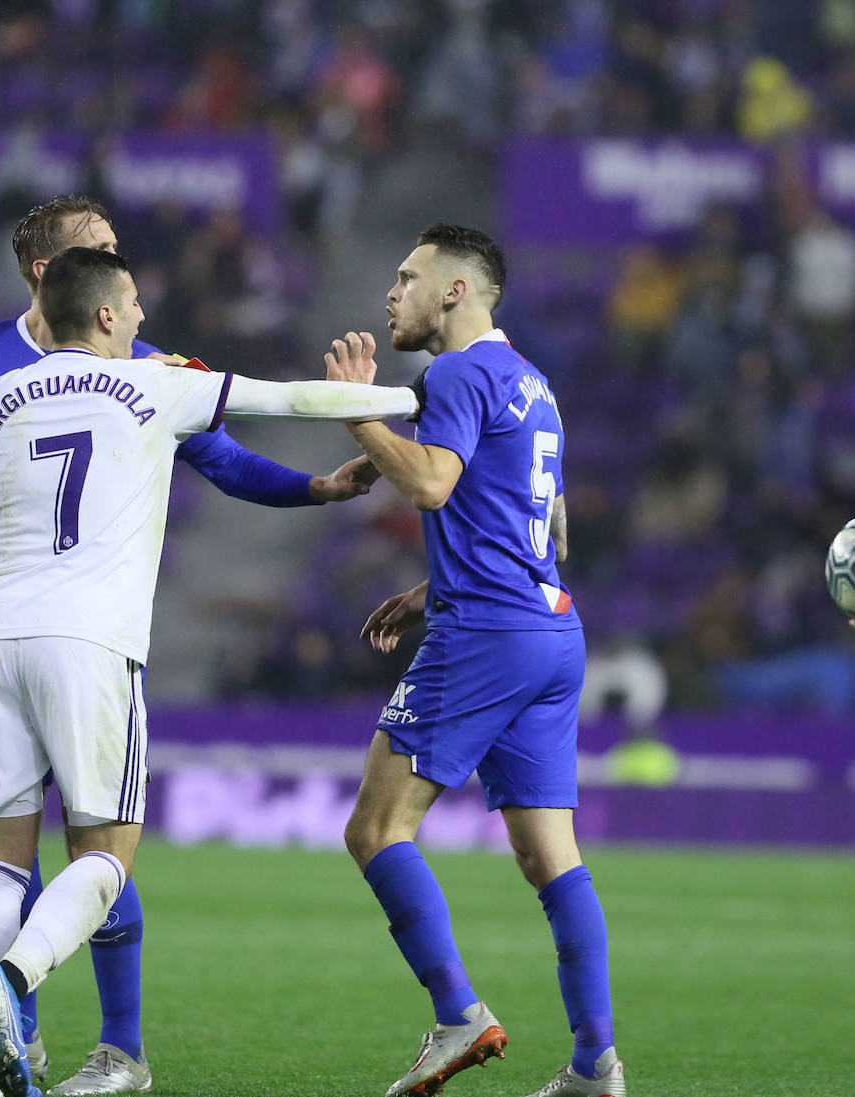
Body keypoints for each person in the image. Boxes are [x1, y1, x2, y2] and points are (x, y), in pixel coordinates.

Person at [0, 246, 419, 1097]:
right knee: (107, 855)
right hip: (88, 639)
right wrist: (409, 396)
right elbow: (290, 399)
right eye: (131, 304)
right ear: (103, 316)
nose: (140, 319)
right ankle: (12, 978)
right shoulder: (151, 382)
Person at [326, 224, 625, 1097]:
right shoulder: (534, 384)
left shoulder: (455, 373)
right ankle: (594, 1063)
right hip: (549, 631)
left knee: (376, 828)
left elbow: (427, 484)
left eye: (409, 275)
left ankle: (458, 1014)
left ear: (456, 292)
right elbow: (547, 527)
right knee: (550, 859)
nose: (393, 291)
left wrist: (360, 411)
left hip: (488, 635)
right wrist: (433, 586)